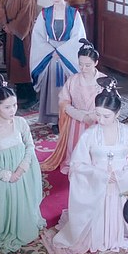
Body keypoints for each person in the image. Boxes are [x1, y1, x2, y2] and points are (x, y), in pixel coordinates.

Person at [42, 77, 128, 254]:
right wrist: (100, 175)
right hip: (96, 185)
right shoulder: (89, 134)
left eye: (106, 116)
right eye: (97, 114)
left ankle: (121, 232)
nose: (100, 120)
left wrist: (122, 175)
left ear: (117, 113)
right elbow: (77, 164)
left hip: (121, 185)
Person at [0, 76, 46, 253]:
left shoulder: (20, 122)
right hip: (2, 178)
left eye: (14, 105)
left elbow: (30, 145)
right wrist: (5, 175)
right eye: (7, 107)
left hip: (23, 173)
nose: (13, 110)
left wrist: (21, 169)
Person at [29, 0, 87, 131]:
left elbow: (78, 36)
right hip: (50, 55)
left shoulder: (73, 14)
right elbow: (38, 35)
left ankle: (69, 118)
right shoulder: (45, 13)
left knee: (69, 89)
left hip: (67, 56)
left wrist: (62, 52)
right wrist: (51, 51)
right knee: (53, 90)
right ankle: (55, 120)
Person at [40, 38, 107, 174]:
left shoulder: (104, 80)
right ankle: (74, 164)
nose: (83, 68)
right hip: (76, 121)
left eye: (87, 65)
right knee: (75, 146)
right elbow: (63, 102)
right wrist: (81, 116)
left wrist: (93, 116)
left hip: (98, 120)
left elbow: (110, 105)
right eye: (80, 64)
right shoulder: (73, 80)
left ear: (96, 63)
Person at [0, 0, 39, 108]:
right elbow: (2, 7)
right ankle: (20, 91)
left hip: (22, 32)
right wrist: (4, 24)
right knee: (13, 62)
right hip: (10, 29)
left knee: (23, 62)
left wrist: (12, 27)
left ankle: (30, 95)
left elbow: (26, 13)